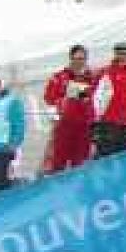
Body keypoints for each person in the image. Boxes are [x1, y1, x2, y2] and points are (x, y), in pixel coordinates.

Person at [43, 44, 96, 173]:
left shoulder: (93, 77)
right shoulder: (59, 77)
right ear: (70, 58)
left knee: (81, 162)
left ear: (86, 59)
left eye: (82, 59)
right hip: (64, 125)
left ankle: (79, 189)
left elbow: (99, 100)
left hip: (85, 126)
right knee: (58, 161)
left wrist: (94, 120)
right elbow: (49, 99)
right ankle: (57, 188)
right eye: (76, 58)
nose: (79, 62)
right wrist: (56, 117)